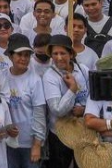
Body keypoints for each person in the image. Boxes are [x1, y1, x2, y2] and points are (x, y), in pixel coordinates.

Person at [41, 34, 88, 168]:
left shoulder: (83, 70)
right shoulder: (50, 76)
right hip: (59, 136)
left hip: (83, 131)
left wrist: (84, 109)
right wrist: (72, 89)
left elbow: (93, 98)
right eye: (55, 53)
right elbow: (57, 110)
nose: (59, 57)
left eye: (63, 53)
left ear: (71, 54)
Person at [1, 34, 44, 168]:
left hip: (28, 143)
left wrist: (37, 145)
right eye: (19, 54)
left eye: (27, 55)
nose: (23, 59)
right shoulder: (2, 76)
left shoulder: (35, 80)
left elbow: (39, 113)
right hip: (7, 141)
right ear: (10, 56)